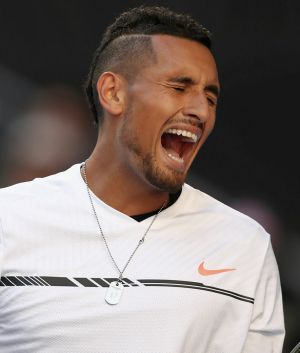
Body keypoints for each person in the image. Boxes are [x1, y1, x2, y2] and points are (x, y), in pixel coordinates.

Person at [0, 6, 285, 353]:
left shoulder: (246, 246)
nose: (201, 111)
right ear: (113, 93)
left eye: (211, 97)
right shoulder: (8, 220)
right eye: (179, 87)